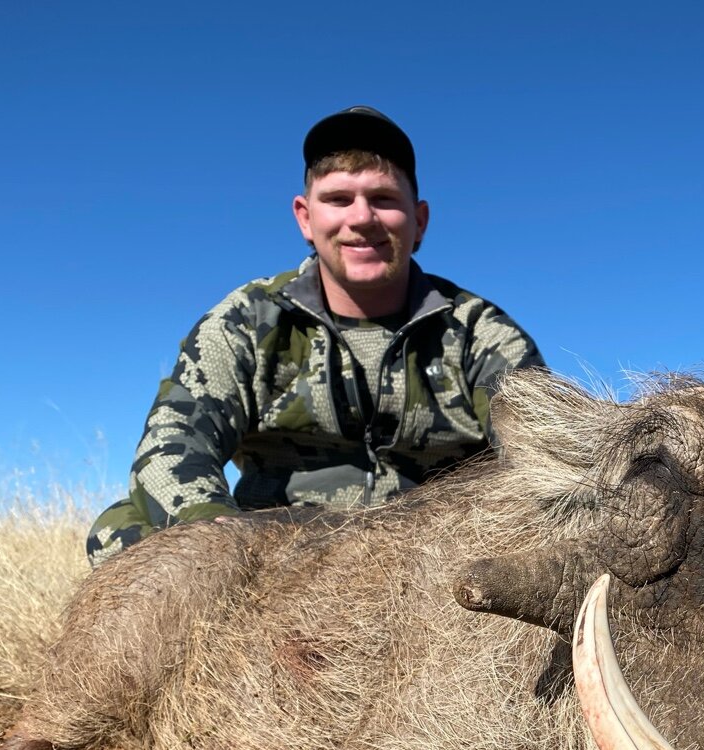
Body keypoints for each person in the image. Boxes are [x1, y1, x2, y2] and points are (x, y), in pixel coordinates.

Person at [86, 106, 544, 564]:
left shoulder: (481, 331)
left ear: (419, 220)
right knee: (122, 531)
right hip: (276, 548)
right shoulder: (247, 318)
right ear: (305, 217)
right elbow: (173, 443)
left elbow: (539, 455)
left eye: (383, 198)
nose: (362, 218)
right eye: (339, 199)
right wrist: (222, 539)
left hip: (440, 548)